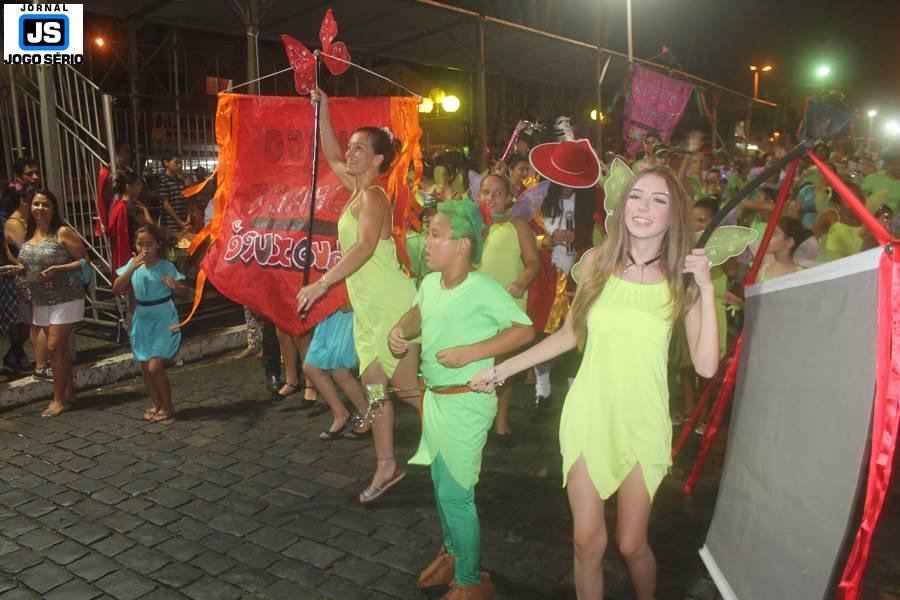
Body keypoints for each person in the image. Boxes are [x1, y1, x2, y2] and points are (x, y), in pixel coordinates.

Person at [470, 166, 719, 600]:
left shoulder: (683, 281)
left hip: (643, 419)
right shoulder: (597, 265)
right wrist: (499, 371)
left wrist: (707, 289)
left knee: (631, 543)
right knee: (586, 541)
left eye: (659, 199)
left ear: (673, 214)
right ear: (623, 205)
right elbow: (568, 335)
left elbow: (706, 366)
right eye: (636, 196)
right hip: (588, 412)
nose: (644, 207)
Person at [389, 200, 534, 599]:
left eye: (436, 234)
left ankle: (470, 581)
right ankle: (453, 553)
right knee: (441, 484)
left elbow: (523, 330)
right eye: (428, 233)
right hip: (436, 400)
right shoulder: (430, 283)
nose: (426, 242)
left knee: (456, 494)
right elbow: (417, 313)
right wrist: (400, 329)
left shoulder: (482, 287)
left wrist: (472, 352)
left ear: (463, 245)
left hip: (467, 401)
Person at [296, 87, 422, 504]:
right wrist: (324, 109)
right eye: (351, 147)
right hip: (369, 310)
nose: (349, 154)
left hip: (390, 305)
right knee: (375, 388)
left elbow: (365, 247)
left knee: (407, 390)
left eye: (359, 149)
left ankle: (451, 445)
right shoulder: (355, 187)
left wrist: (321, 283)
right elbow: (330, 155)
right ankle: (387, 465)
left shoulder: (374, 196)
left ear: (379, 159)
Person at [526, 137, 602, 414]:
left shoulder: (595, 195)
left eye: (575, 181)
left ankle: (574, 393)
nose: (569, 186)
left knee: (579, 331)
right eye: (563, 180)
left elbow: (611, 226)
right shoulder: (534, 193)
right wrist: (546, 240)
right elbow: (522, 234)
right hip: (545, 275)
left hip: (579, 273)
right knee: (540, 333)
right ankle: (541, 390)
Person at [5, 190, 89, 417]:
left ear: (53, 209)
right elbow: (29, 265)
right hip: (41, 299)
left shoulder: (62, 232)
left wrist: (58, 269)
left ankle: (58, 399)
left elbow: (84, 262)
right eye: (36, 204)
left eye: (45, 204)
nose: (40, 208)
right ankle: (68, 392)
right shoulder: (29, 233)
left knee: (53, 347)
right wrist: (16, 269)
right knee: (60, 349)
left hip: (67, 296)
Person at [477, 174, 540, 439]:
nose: (491, 198)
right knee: (478, 361)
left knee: (502, 365)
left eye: (498, 193)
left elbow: (533, 261)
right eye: (486, 192)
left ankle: (500, 421)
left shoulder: (518, 226)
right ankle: (478, 416)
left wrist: (521, 283)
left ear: (509, 197)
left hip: (507, 303)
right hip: (477, 304)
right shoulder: (475, 225)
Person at [112, 224, 190, 421]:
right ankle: (156, 404)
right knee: (146, 367)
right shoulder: (133, 265)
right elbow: (117, 288)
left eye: (149, 244)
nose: (145, 249)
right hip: (142, 317)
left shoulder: (165, 266)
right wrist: (132, 268)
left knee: (155, 367)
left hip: (163, 316)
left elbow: (184, 292)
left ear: (158, 245)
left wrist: (174, 285)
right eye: (140, 244)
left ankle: (168, 406)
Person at [3, 158, 48, 378]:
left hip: (28, 272)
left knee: (28, 320)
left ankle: (17, 356)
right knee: (24, 321)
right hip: (17, 274)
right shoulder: (12, 215)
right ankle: (24, 357)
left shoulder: (30, 216)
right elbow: (26, 251)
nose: (35, 177)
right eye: (30, 173)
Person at [303, 304, 371, 440]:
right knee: (312, 367)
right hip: (329, 313)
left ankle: (371, 417)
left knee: (341, 372)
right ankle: (344, 414)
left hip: (346, 313)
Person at [812, 179, 864, 263]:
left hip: (855, 267)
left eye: (860, 197)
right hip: (829, 267)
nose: (857, 201)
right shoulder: (831, 217)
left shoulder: (867, 221)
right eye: (850, 198)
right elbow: (809, 240)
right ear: (838, 203)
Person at [759, 217, 811, 282]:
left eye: (774, 234)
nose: (766, 238)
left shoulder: (803, 274)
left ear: (789, 242)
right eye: (766, 233)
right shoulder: (760, 273)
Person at [862, 147, 900, 214]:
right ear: (887, 164)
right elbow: (860, 201)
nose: (898, 168)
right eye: (895, 164)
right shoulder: (873, 178)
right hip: (871, 217)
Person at [158, 152, 188, 232]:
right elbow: (165, 204)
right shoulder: (163, 180)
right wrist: (179, 221)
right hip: (170, 225)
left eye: (180, 163)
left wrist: (188, 217)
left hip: (183, 222)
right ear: (166, 163)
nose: (179, 165)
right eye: (176, 162)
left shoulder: (180, 181)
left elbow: (185, 200)